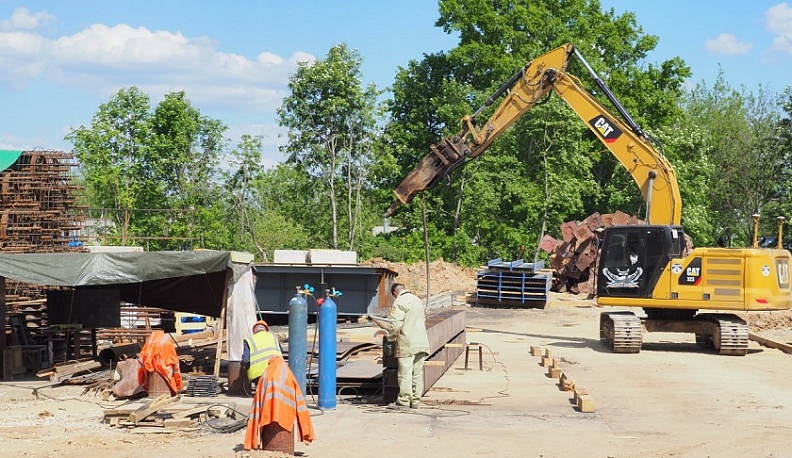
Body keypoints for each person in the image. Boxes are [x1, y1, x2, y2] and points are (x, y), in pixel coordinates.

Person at [377, 283, 430, 409]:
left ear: (395, 294)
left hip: (407, 343)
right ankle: (416, 401)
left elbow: (395, 325)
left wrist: (389, 338)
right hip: (422, 341)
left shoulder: (399, 302)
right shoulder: (417, 300)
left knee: (405, 373)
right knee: (417, 373)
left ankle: (404, 401)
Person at [242, 320, 282, 385]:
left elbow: (246, 360)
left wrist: (245, 369)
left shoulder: (250, 340)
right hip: (276, 370)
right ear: (266, 329)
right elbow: (281, 351)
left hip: (258, 374)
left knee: (261, 393)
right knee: (275, 393)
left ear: (254, 330)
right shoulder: (273, 338)